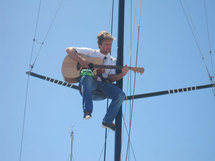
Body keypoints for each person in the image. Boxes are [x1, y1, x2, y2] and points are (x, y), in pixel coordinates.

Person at [65, 31, 128, 131]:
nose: (109, 47)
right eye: (106, 44)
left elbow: (111, 78)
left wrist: (122, 74)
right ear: (99, 45)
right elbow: (69, 50)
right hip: (88, 85)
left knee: (121, 95)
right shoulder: (91, 53)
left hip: (102, 87)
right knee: (87, 77)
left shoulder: (112, 61)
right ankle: (87, 111)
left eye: (110, 45)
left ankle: (107, 121)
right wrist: (81, 60)